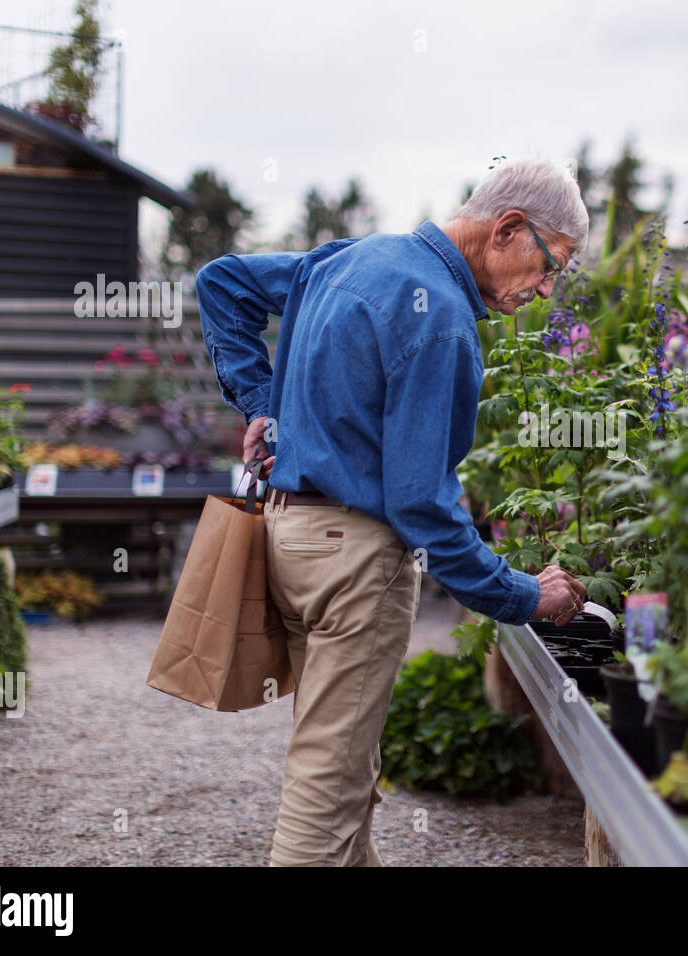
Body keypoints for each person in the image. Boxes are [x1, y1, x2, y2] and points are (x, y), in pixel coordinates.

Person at [195, 154, 590, 866]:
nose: (547, 287)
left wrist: (261, 403)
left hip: (291, 538)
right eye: (550, 263)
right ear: (507, 227)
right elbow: (421, 505)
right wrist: (522, 594)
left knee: (346, 761)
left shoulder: (352, 259)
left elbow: (221, 281)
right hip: (357, 563)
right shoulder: (440, 319)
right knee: (327, 785)